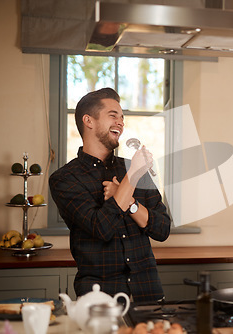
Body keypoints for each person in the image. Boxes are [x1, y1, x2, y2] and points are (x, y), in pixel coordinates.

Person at [49, 88, 171, 303]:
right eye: (113, 116)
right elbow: (101, 228)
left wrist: (130, 201)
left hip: (148, 291)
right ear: (89, 121)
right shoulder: (65, 179)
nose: (121, 123)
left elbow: (162, 229)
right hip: (100, 297)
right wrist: (132, 176)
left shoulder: (135, 168)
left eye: (122, 118)